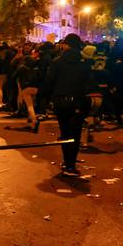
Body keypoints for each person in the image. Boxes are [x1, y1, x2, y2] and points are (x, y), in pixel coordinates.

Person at [44, 34, 91, 177]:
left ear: (66, 45)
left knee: (65, 132)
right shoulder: (84, 63)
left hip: (61, 100)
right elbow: (88, 83)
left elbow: (49, 82)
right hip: (78, 101)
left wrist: (47, 100)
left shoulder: (57, 62)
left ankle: (67, 162)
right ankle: (71, 163)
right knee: (75, 133)